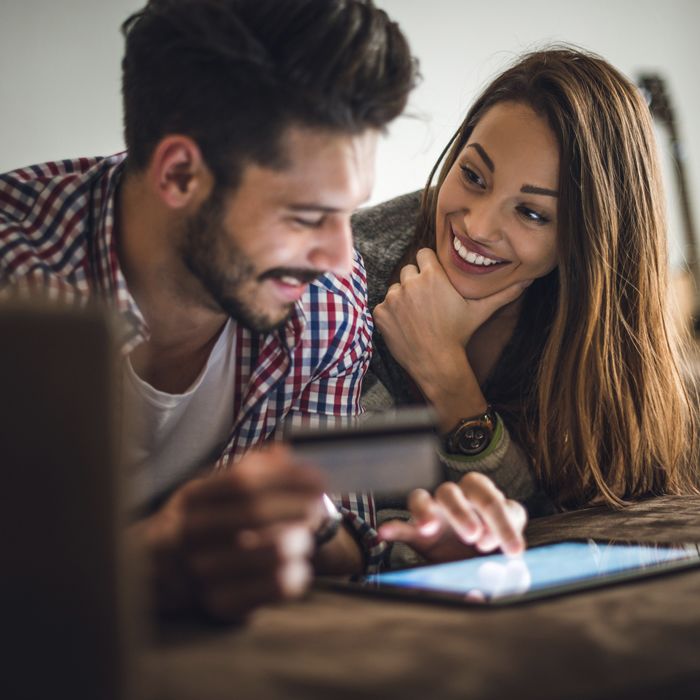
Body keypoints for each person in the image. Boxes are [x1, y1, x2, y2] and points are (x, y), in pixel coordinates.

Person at [0, 0, 527, 621]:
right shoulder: (20, 279)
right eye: (306, 216)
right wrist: (146, 562)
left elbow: (338, 544)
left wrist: (420, 554)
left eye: (346, 211)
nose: (340, 256)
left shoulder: (325, 303)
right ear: (178, 174)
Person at [354, 47, 699, 563]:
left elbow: (566, 524)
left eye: (532, 214)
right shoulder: (353, 275)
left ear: (587, 241)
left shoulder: (602, 332)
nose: (477, 226)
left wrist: (446, 375)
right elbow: (346, 518)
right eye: (472, 175)